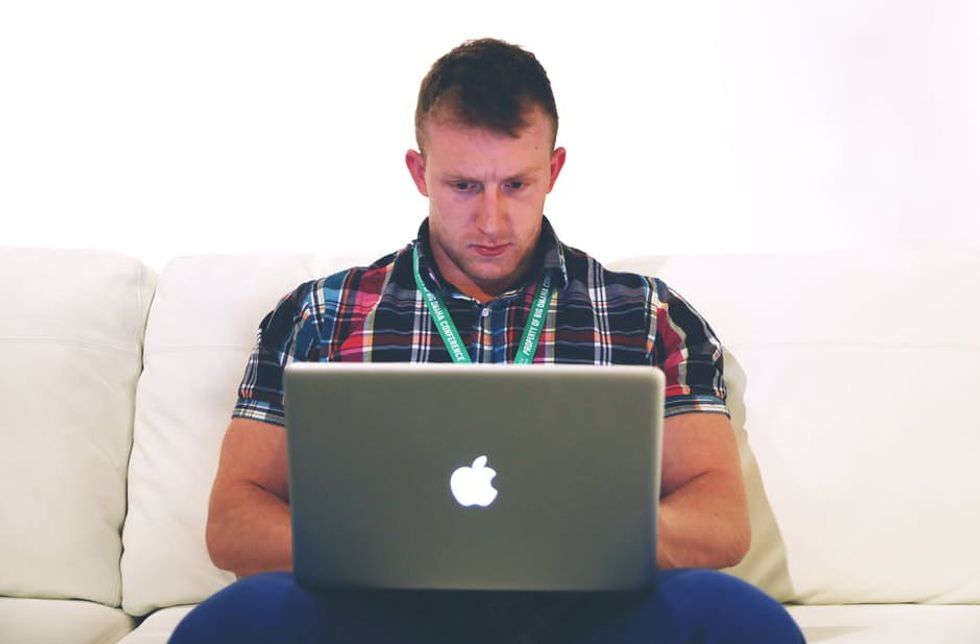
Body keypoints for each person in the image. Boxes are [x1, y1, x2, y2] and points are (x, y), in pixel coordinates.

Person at [170, 38, 804, 644]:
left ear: (553, 169)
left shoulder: (647, 314)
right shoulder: (320, 313)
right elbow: (234, 522)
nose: (492, 220)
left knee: (740, 622)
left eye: (517, 185)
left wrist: (580, 536)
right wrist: (403, 544)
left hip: (585, 624)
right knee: (227, 624)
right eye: (464, 186)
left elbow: (720, 520)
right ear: (420, 172)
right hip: (380, 623)